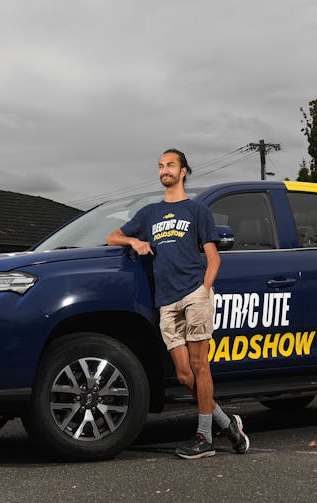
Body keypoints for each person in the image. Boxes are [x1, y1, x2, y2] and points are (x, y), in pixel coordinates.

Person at [107, 148, 250, 459]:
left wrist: (204, 290)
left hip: (193, 293)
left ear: (183, 171)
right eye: (160, 166)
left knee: (201, 365)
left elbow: (213, 258)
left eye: (170, 165)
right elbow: (112, 236)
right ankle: (227, 425)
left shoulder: (197, 211)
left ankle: (204, 437)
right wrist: (135, 241)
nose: (164, 170)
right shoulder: (149, 214)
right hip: (166, 301)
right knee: (185, 375)